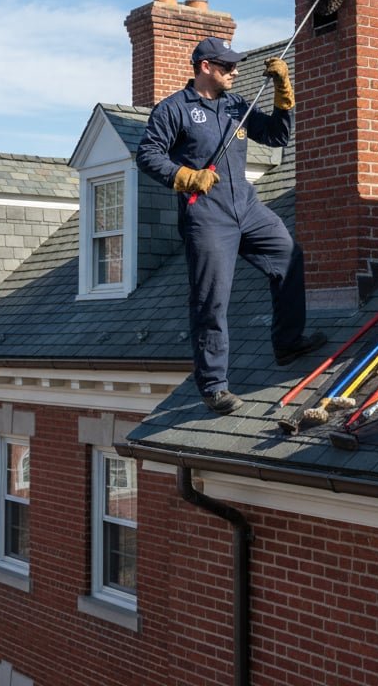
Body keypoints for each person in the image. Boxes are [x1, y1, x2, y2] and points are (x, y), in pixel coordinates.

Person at [136, 35, 325, 414]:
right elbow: (147, 154)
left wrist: (282, 92)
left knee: (289, 256)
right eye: (227, 66)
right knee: (212, 299)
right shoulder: (174, 109)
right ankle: (214, 386)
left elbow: (276, 136)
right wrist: (186, 177)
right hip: (207, 215)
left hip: (247, 207)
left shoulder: (237, 105)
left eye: (235, 65)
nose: (235, 71)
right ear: (205, 67)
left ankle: (288, 342)